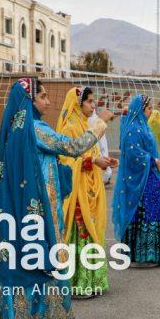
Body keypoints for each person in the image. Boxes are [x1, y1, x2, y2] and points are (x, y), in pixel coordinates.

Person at [0, 78, 111, 319]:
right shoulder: (35, 129)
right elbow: (74, 147)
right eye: (42, 96)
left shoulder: (13, 130)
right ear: (30, 101)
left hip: (14, 213)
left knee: (15, 267)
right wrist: (99, 124)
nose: (48, 102)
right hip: (38, 215)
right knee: (42, 266)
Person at [57, 87, 117, 297]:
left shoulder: (84, 125)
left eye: (94, 102)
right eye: (90, 102)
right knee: (80, 232)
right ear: (77, 103)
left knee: (91, 231)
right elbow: (67, 159)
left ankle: (91, 280)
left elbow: (91, 152)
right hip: (77, 193)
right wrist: (92, 161)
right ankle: (76, 282)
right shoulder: (69, 128)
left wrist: (103, 162)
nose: (93, 106)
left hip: (90, 188)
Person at [112, 95, 160, 266]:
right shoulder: (132, 129)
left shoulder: (144, 126)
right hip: (140, 179)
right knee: (144, 212)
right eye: (148, 108)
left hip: (150, 175)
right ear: (140, 109)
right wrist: (153, 161)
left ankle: (152, 254)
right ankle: (142, 256)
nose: (151, 111)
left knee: (154, 210)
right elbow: (133, 154)